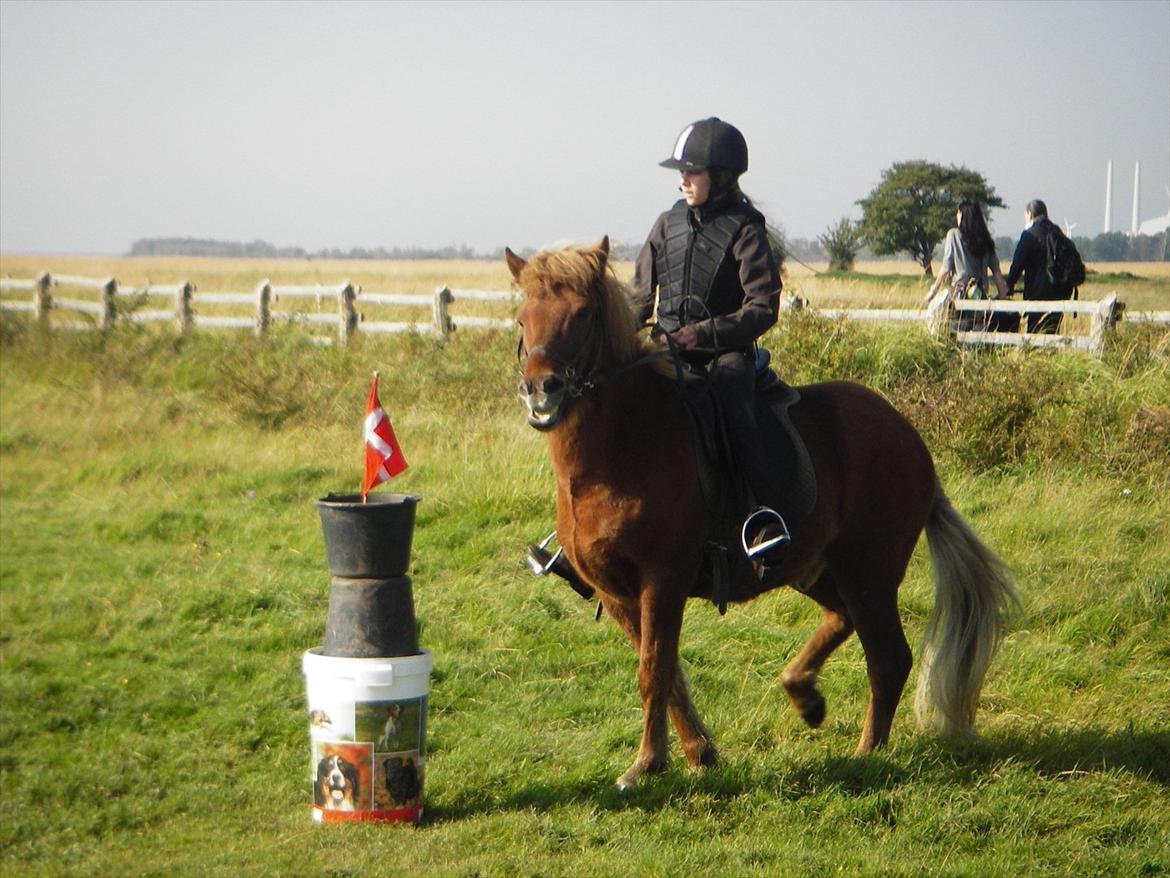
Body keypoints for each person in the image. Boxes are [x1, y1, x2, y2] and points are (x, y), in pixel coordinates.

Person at [628, 117, 788, 566]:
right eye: (681, 172)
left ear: (721, 177)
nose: (683, 179)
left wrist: (700, 334)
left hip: (724, 356)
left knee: (735, 394)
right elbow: (639, 296)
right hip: (664, 351)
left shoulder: (745, 229)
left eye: (692, 171)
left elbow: (762, 307)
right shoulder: (665, 224)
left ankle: (762, 514)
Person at [925, 200, 1009, 332]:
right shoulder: (986, 240)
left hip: (959, 293)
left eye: (958, 213)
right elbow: (996, 272)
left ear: (962, 215)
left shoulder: (953, 235)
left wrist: (933, 290)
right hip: (980, 295)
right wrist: (1003, 295)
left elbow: (946, 267)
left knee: (939, 320)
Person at [1005, 199, 1070, 333]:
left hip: (1037, 293)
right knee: (1052, 331)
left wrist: (1009, 284)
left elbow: (1018, 264)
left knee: (1035, 334)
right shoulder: (1057, 232)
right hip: (1059, 293)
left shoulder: (1029, 235)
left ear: (1030, 214)